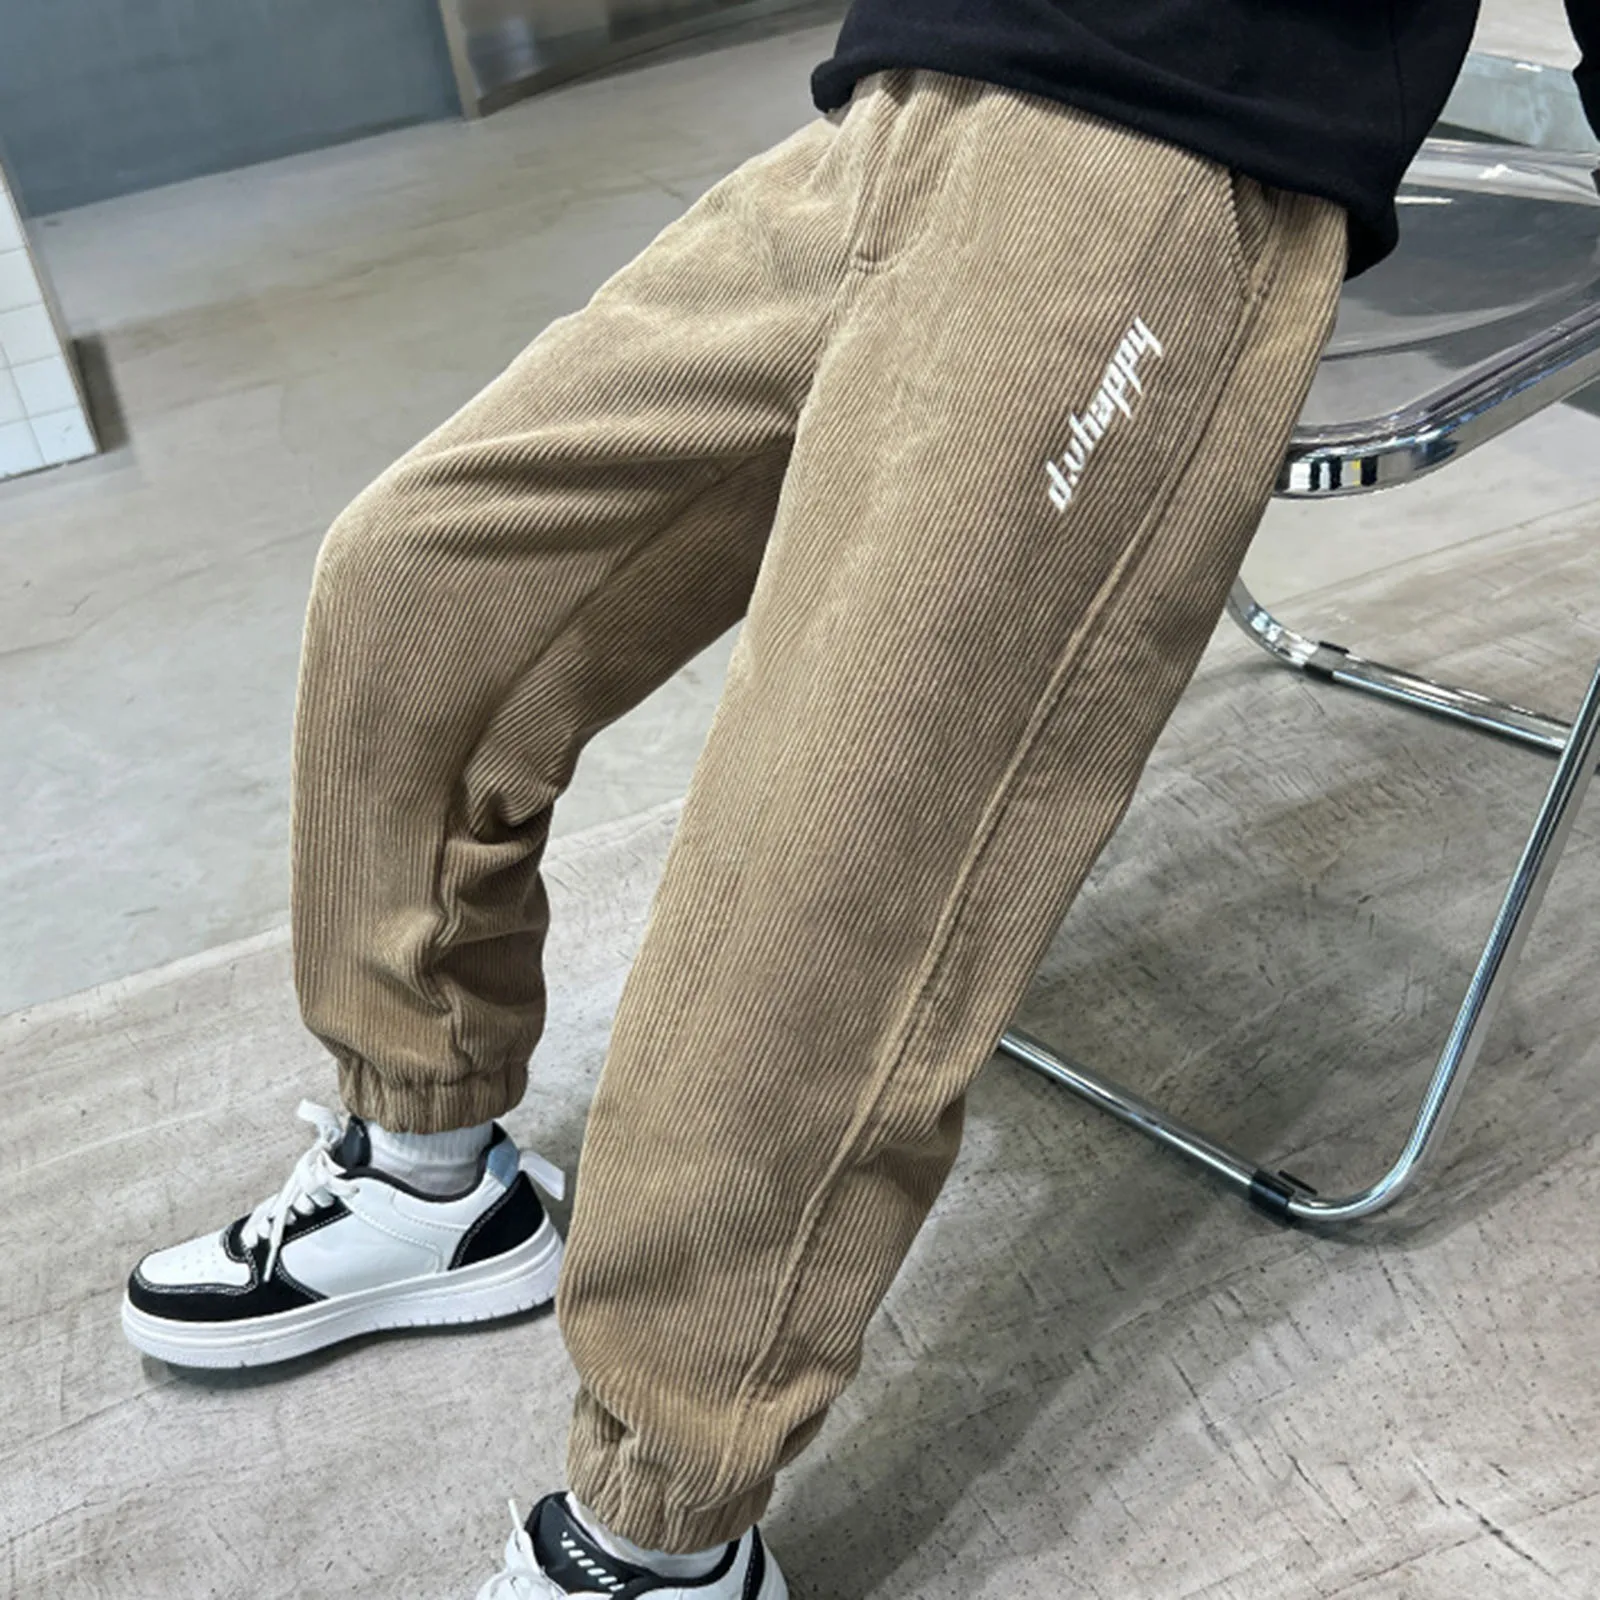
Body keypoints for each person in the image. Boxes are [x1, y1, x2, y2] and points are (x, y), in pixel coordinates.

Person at [121, 3, 1600, 1595]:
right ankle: (429, 1171)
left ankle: (660, 1530)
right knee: (413, 588)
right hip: (903, 104)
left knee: (825, 846)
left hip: (1166, 165)